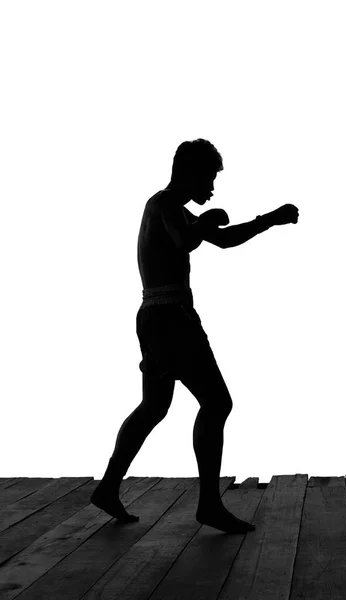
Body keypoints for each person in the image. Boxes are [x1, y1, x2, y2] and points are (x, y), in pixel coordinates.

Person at [91, 138, 299, 533]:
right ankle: (208, 505)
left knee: (153, 409)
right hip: (171, 319)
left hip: (156, 317)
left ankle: (107, 489)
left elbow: (222, 240)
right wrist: (205, 222)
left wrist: (267, 219)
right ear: (189, 172)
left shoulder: (172, 209)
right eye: (209, 178)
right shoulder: (165, 205)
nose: (212, 189)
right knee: (217, 403)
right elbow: (189, 241)